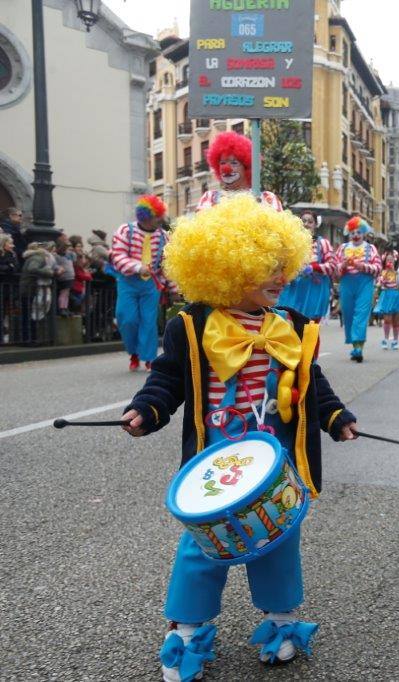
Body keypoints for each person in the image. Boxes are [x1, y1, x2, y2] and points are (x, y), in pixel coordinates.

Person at [120, 193, 357, 681]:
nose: (279, 276)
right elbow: (167, 379)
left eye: (281, 264)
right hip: (217, 460)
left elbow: (313, 383)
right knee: (204, 547)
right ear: (226, 268)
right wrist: (147, 408)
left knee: (278, 540)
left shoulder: (291, 324)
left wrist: (334, 417)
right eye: (264, 267)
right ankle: (187, 633)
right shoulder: (191, 325)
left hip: (276, 462)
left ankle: (281, 624)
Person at [110, 196, 169, 371]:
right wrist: (137, 267)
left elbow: (168, 263)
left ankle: (149, 358)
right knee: (126, 318)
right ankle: (133, 352)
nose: (159, 221)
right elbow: (117, 256)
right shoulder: (125, 231)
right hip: (128, 281)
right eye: (156, 217)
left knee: (149, 321)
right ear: (146, 217)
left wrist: (172, 287)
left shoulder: (164, 237)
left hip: (151, 284)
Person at [196, 131, 283, 211]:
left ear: (246, 167)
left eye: (234, 163)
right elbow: (201, 225)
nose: (226, 168)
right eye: (222, 163)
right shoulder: (210, 198)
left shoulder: (267, 199)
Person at [335, 216, 381, 362]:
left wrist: (362, 266)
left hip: (365, 284)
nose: (355, 235)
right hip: (347, 283)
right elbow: (335, 268)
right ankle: (354, 345)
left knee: (361, 314)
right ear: (349, 233)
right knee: (348, 314)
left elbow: (378, 268)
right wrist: (342, 266)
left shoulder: (370, 248)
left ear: (363, 233)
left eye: (358, 232)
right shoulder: (343, 248)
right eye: (353, 233)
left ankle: (359, 348)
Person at [277, 210, 336, 321]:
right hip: (294, 289)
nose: (306, 224)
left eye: (310, 221)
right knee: (289, 322)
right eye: (303, 221)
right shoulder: (291, 242)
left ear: (315, 225)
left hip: (315, 290)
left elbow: (332, 265)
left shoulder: (323, 243)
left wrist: (313, 268)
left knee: (310, 326)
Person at [374, 249, 399, 350]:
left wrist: (394, 272)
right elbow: (379, 283)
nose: (390, 262)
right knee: (387, 319)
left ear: (395, 260)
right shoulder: (383, 272)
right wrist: (386, 274)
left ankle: (395, 340)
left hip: (398, 295)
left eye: (392, 260)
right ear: (385, 261)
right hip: (387, 295)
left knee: (396, 321)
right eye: (388, 260)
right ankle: (385, 339)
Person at [54, 232, 75, 315]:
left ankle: (65, 308)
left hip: (69, 277)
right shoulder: (57, 255)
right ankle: (62, 308)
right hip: (64, 277)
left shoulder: (69, 254)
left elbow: (74, 258)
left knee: (66, 294)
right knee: (64, 293)